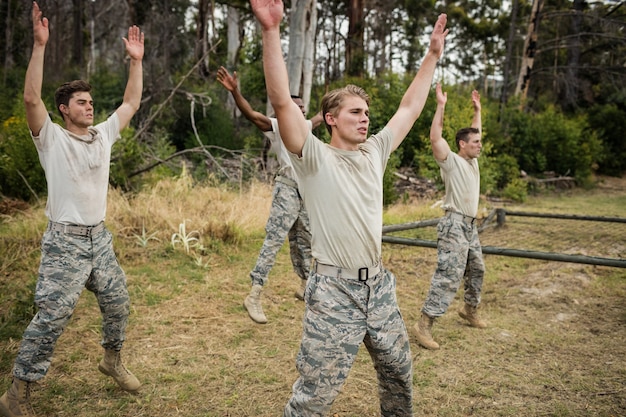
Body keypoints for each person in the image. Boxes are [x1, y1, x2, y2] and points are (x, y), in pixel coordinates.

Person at [249, 1, 448, 415]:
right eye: (356, 113)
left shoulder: (375, 151)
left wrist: (430, 56)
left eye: (367, 113)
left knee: (399, 375)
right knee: (314, 397)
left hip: (379, 287)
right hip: (334, 293)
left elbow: (409, 108)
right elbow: (282, 103)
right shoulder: (313, 157)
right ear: (330, 119)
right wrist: (271, 31)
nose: (365, 120)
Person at [0, 3, 144, 416]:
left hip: (100, 239)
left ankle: (111, 361)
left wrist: (136, 63)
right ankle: (18, 393)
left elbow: (131, 103)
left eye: (91, 101)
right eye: (81, 102)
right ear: (64, 109)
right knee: (52, 318)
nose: (89, 107)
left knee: (118, 302)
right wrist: (40, 45)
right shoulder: (51, 139)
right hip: (65, 242)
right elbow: (30, 97)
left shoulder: (102, 136)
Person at [217, 66, 323, 324]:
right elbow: (252, 115)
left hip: (306, 193)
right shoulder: (277, 126)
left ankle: (305, 286)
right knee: (274, 241)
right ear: (284, 111)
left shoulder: (307, 127)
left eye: (303, 110)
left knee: (306, 242)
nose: (301, 113)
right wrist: (235, 92)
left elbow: (324, 115)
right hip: (286, 189)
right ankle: (254, 294)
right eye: (295, 109)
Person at [413, 83, 486, 350]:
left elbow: (475, 132)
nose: (480, 145)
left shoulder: (473, 161)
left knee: (477, 268)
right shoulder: (452, 162)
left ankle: (469, 310)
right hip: (453, 224)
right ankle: (424, 324)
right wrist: (440, 105)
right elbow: (435, 137)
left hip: (470, 226)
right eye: (475, 143)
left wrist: (477, 110)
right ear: (461, 145)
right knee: (449, 274)